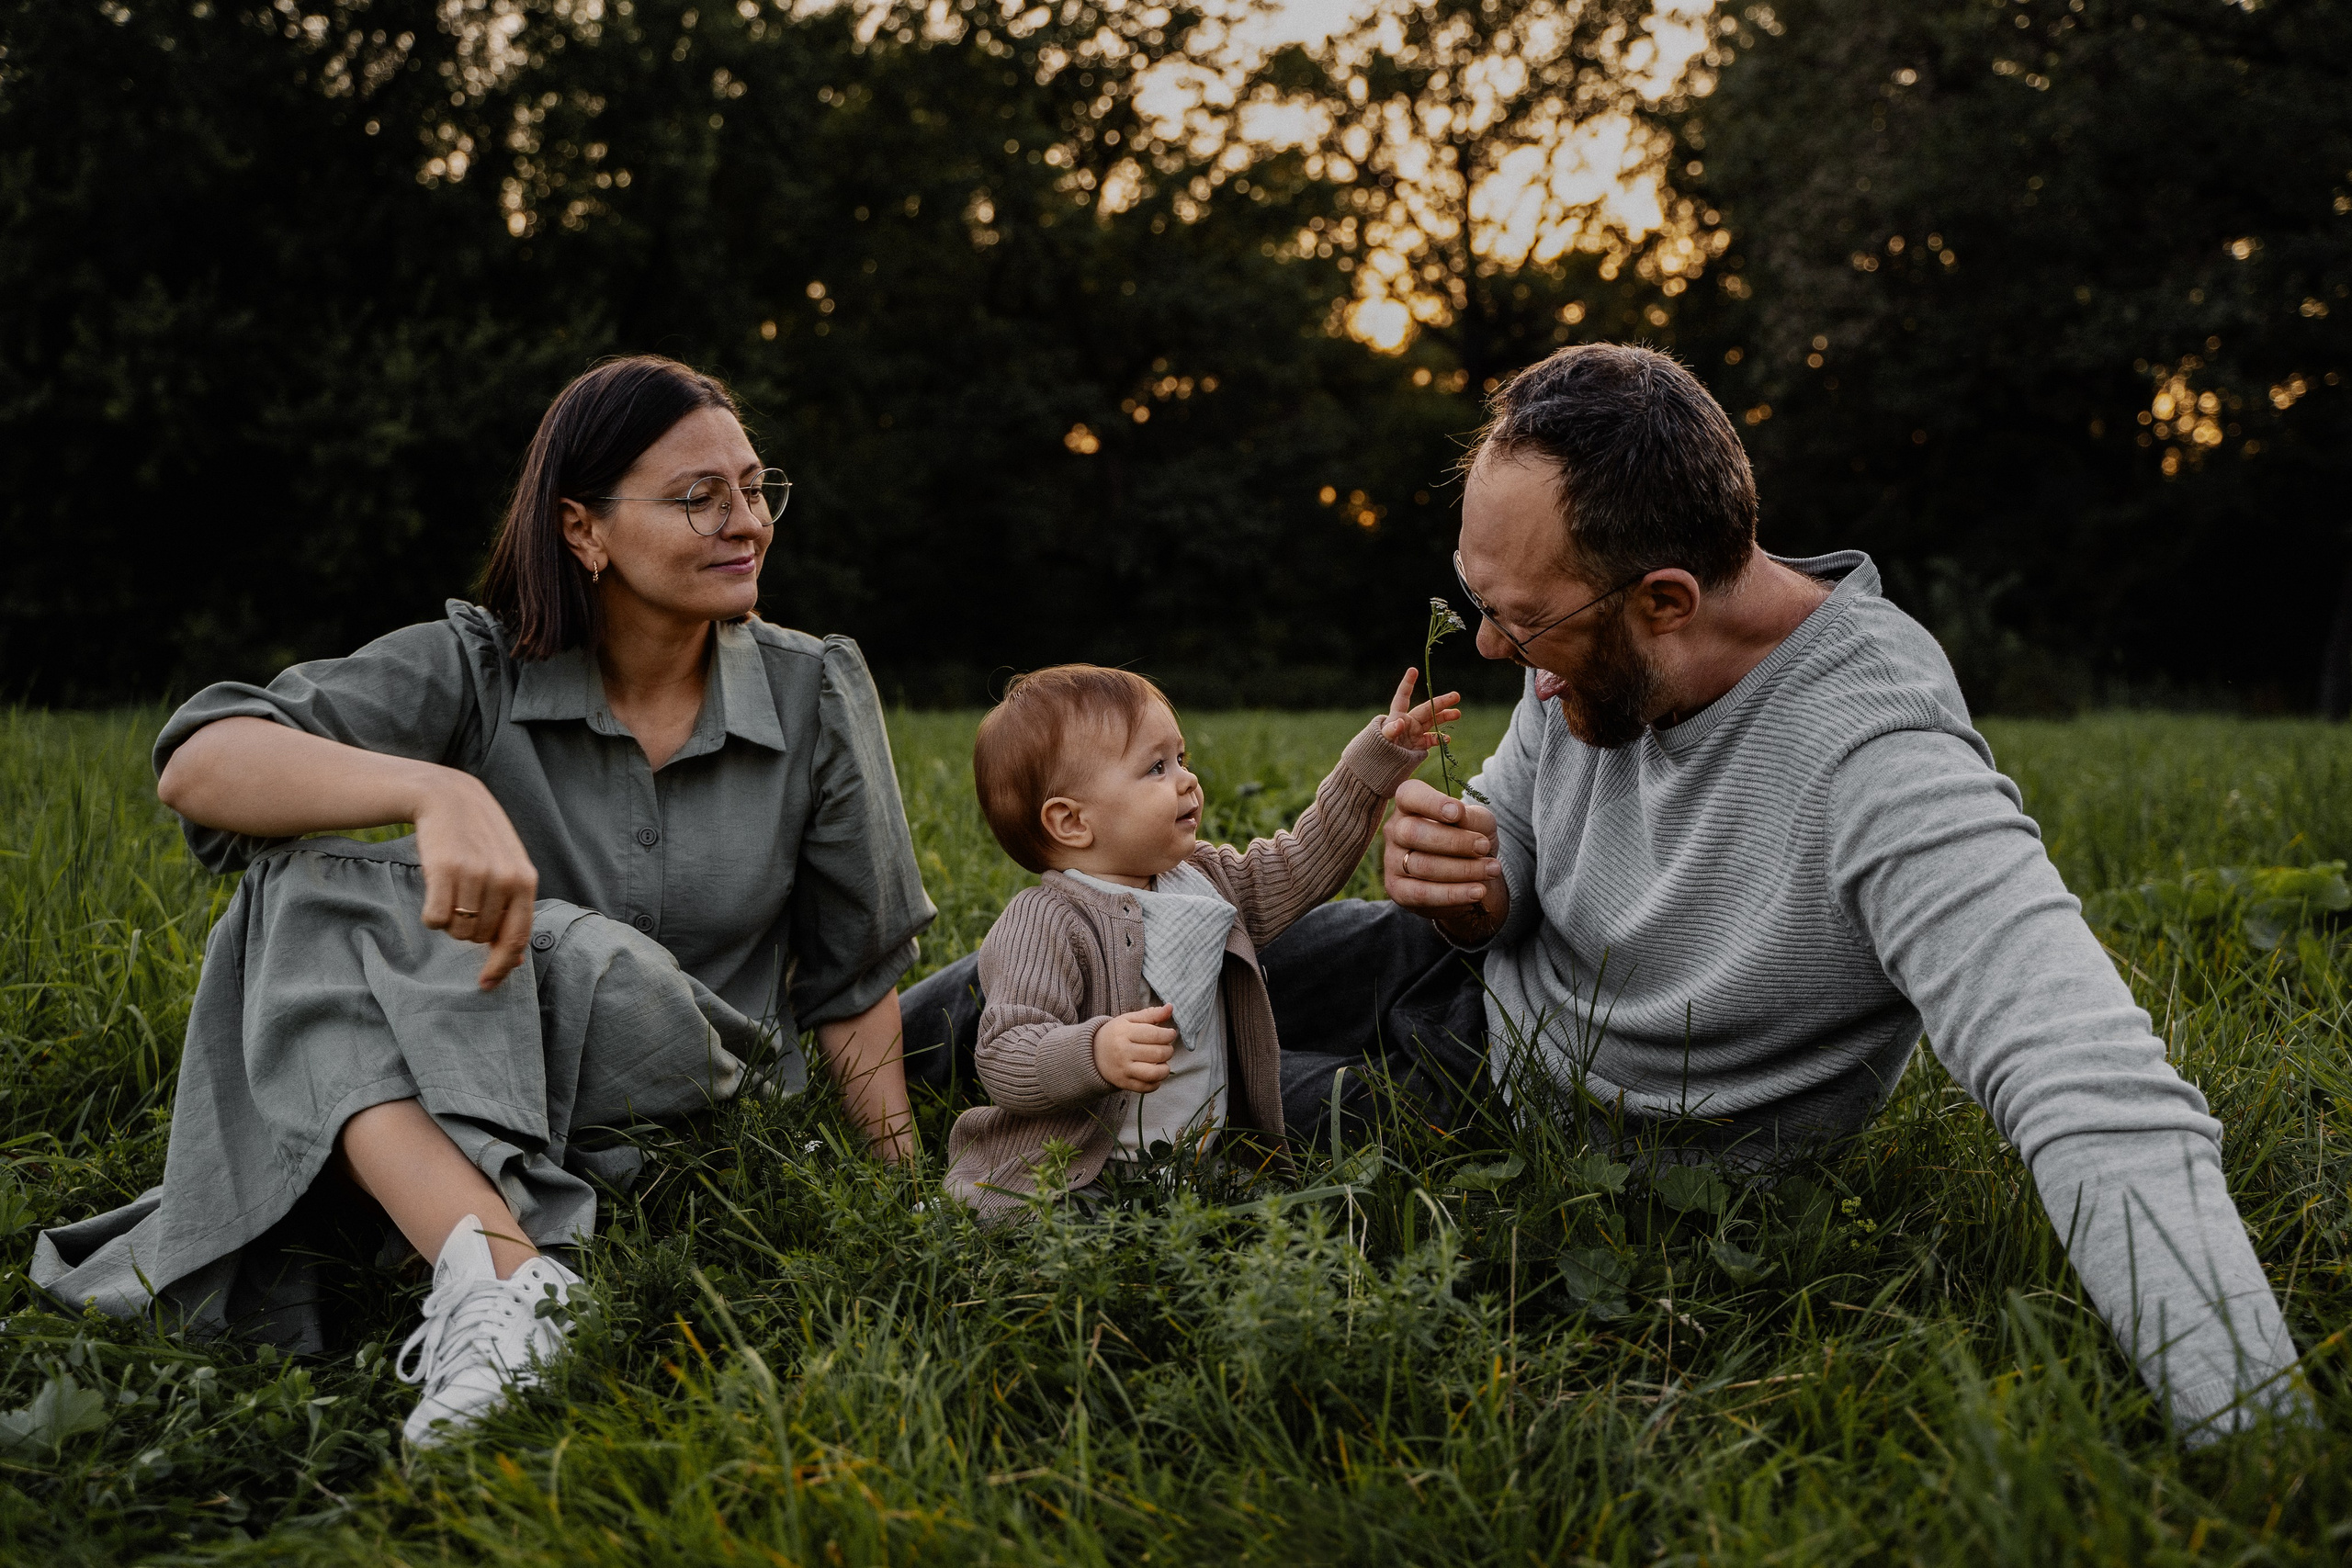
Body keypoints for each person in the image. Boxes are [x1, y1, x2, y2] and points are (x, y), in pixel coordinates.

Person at [1261, 342, 2300, 1437]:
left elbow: (2092, 1091)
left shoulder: (1880, 762)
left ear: (1666, 600)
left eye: (1518, 619)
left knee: (1175, 1073)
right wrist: (1478, 885)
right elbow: (1513, 825)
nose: (1491, 645)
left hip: (1551, 1127)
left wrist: (2255, 1433)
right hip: (1469, 982)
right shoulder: (1592, 637)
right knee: (1174, 947)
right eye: (1481, 602)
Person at [33, 355, 935, 1447]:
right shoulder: (476, 667)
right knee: (293, 883)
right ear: (581, 530)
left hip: (698, 1085)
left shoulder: (814, 688)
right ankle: (506, 1276)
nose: (744, 522)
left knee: (312, 895)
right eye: (698, 497)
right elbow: (203, 764)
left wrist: (901, 1203)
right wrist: (432, 787)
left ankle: (504, 1281)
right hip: (487, 1089)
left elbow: (852, 976)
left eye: (755, 487)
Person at [939, 665, 1449, 1220]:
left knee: (1267, 1216)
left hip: (1189, 1166)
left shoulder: (1204, 882)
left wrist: (1370, 767)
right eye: (1156, 768)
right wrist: (1095, 1051)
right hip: (1066, 1177)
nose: (1186, 780)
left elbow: (1300, 863)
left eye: (1181, 759)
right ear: (1070, 822)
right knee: (1060, 1236)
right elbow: (1004, 1053)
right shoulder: (1045, 923)